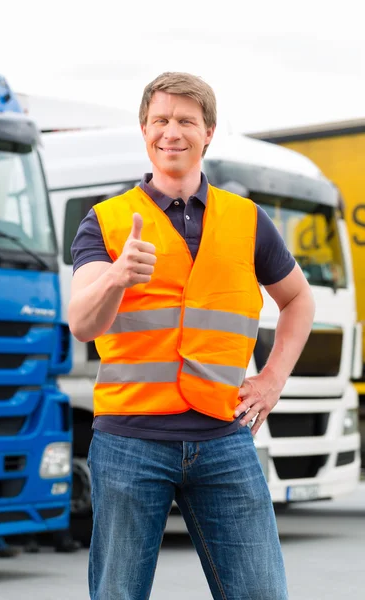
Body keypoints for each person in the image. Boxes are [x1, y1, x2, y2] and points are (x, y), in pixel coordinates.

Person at [69, 72, 315, 600]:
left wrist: (272, 380)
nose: (171, 132)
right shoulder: (107, 223)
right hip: (129, 441)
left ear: (209, 133)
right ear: (144, 129)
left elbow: (299, 299)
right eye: (160, 120)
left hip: (224, 439)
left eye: (186, 120)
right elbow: (82, 323)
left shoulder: (247, 221)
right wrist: (116, 275)